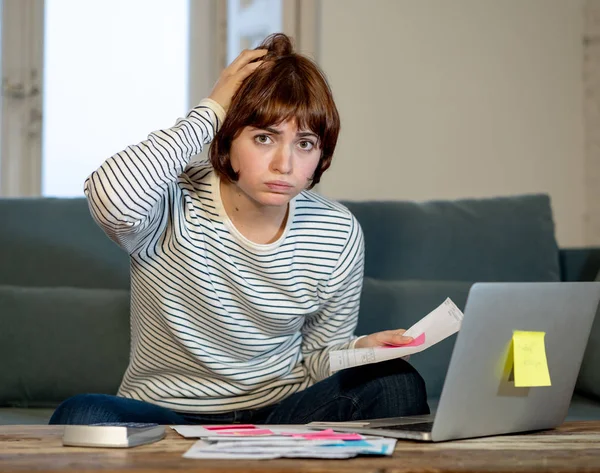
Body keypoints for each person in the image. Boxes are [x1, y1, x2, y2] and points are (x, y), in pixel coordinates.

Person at [50, 33, 429, 425]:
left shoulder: (337, 231)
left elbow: (317, 357)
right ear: (228, 139)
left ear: (321, 154)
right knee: (83, 414)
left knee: (395, 383)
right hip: (166, 415)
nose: (284, 163)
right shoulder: (168, 201)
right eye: (264, 137)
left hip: (279, 414)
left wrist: (359, 350)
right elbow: (112, 199)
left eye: (305, 143)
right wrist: (212, 109)